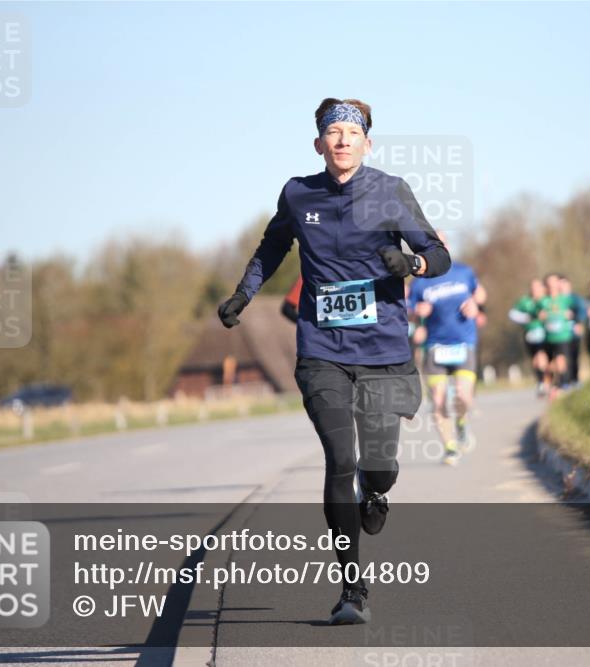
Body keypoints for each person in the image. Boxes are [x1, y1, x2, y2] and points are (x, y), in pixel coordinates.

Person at [217, 98, 450, 625]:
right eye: (333, 132)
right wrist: (243, 295)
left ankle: (376, 492)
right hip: (322, 351)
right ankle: (352, 589)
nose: (342, 139)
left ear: (367, 142)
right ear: (319, 144)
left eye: (352, 131)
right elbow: (270, 249)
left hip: (385, 354)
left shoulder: (390, 191)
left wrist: (410, 260)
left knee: (380, 470)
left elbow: (439, 255)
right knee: (340, 458)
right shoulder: (299, 194)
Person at [408, 232, 486, 466]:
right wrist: (416, 314)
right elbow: (409, 310)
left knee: (463, 396)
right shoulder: (419, 282)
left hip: (464, 343)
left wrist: (475, 305)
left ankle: (461, 424)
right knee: (439, 400)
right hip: (434, 347)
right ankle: (450, 448)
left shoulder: (463, 271)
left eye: (441, 243)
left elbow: (480, 294)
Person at [539, 273, 578, 396]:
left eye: (554, 281)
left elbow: (578, 310)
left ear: (558, 283)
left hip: (563, 336)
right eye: (549, 282)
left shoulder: (566, 299)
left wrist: (574, 318)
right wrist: (540, 316)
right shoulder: (543, 301)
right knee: (546, 365)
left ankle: (561, 385)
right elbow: (537, 315)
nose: (551, 285)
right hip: (548, 338)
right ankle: (547, 384)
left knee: (561, 361)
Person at [509, 279, 549, 396]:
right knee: (535, 360)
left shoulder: (547, 300)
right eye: (532, 287)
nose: (535, 290)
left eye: (537, 287)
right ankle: (541, 381)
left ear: (543, 288)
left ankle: (545, 382)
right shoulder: (525, 301)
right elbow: (512, 314)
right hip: (530, 334)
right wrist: (528, 317)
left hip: (546, 335)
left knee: (542, 358)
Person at [558, 275, 585, 387]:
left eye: (564, 284)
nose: (562, 287)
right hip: (560, 334)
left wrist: (577, 321)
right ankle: (565, 381)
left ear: (569, 285)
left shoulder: (575, 298)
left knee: (574, 356)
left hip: (573, 332)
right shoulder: (556, 299)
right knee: (564, 357)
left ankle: (575, 379)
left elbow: (582, 312)